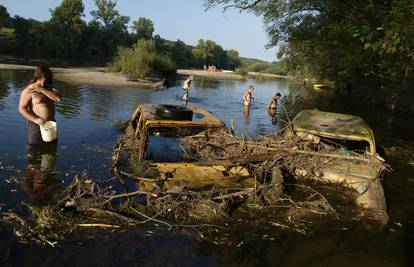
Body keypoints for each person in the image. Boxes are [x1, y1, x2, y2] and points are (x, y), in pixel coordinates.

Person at [19, 66, 61, 145]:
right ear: (42, 76)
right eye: (49, 75)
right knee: (34, 152)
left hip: (51, 125)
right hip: (36, 126)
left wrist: (41, 89)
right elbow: (21, 109)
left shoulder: (51, 88)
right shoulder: (28, 90)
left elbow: (58, 98)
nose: (51, 77)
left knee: (51, 152)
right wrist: (36, 119)